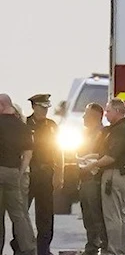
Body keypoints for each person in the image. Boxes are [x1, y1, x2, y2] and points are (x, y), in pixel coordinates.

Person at [81, 98, 125, 255]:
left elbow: (111, 157)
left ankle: (114, 251)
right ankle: (118, 249)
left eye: (109, 111)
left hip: (115, 175)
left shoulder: (121, 130)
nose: (106, 114)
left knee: (113, 217)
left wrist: (91, 164)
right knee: (117, 216)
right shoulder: (116, 129)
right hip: (115, 174)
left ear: (118, 112)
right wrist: (88, 157)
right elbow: (104, 153)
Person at [26, 93, 64, 255]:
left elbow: (58, 150)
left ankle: (43, 249)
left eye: (47, 107)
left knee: (46, 214)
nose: (45, 111)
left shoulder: (52, 125)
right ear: (34, 107)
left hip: (46, 173)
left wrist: (59, 173)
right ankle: (22, 246)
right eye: (42, 107)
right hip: (28, 173)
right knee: (22, 213)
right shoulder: (25, 124)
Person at [0, 94, 37, 255]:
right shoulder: (23, 127)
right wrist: (19, 173)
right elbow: (28, 154)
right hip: (13, 173)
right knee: (19, 214)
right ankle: (29, 249)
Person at [78, 103, 108, 255]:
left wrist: (89, 159)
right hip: (84, 178)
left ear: (95, 117)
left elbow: (104, 154)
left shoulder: (103, 134)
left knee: (97, 215)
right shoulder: (85, 134)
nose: (83, 117)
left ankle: (103, 246)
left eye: (86, 114)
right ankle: (91, 247)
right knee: (87, 216)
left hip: (95, 179)